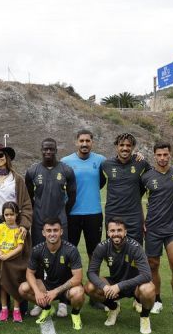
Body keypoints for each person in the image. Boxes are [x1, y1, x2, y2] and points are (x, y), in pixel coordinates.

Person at [25, 138, 76, 317]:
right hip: (39, 223)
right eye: (45, 149)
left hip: (60, 223)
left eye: (51, 149)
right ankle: (41, 300)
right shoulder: (32, 171)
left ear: (56, 150)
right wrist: (38, 213)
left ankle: (62, 301)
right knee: (38, 261)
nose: (48, 152)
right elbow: (29, 197)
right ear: (41, 149)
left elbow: (72, 196)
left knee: (63, 261)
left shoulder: (66, 170)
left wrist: (61, 214)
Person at [0, 142, 33, 321]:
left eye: (1, 155)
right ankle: (3, 307)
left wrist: (24, 226)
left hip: (14, 225)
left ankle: (20, 307)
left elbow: (26, 205)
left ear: (7, 157)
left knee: (16, 265)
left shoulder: (17, 179)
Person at [85, 218, 155, 334]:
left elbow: (147, 275)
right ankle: (114, 308)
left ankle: (144, 317)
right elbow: (91, 272)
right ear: (108, 233)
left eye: (119, 230)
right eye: (112, 231)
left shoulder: (135, 247)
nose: (116, 233)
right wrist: (104, 287)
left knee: (148, 288)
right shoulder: (102, 247)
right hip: (114, 284)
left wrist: (119, 286)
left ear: (125, 232)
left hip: (135, 286)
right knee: (90, 287)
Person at [140, 142, 173, 317]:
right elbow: (136, 199)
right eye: (159, 155)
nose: (162, 158)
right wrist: (142, 220)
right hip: (152, 228)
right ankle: (157, 300)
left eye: (165, 154)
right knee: (153, 265)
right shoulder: (146, 177)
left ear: (170, 154)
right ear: (154, 156)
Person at [18, 218, 85, 330]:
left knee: (78, 293)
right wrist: (37, 292)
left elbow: (78, 278)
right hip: (48, 285)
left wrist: (56, 291)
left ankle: (75, 314)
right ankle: (47, 307)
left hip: (67, 288)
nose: (52, 234)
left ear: (61, 232)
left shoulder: (71, 250)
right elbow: (29, 273)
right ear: (43, 233)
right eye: (49, 230)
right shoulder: (37, 250)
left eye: (55, 230)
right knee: (23, 288)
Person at [61, 129, 106, 257]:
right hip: (71, 213)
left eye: (87, 141)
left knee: (94, 253)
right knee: (68, 252)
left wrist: (137, 155)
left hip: (94, 213)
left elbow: (102, 182)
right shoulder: (65, 161)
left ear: (92, 142)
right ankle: (71, 272)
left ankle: (93, 272)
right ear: (76, 142)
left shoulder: (101, 160)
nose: (84, 144)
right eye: (81, 141)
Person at [100, 132, 150, 245]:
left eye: (128, 145)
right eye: (122, 145)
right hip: (113, 215)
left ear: (133, 147)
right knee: (114, 250)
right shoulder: (106, 165)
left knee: (135, 250)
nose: (125, 148)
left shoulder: (141, 163)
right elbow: (99, 184)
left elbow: (152, 179)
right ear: (116, 146)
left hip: (134, 217)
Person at [0, 202, 25, 323]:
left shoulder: (19, 230)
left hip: (14, 262)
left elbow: (20, 247)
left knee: (15, 285)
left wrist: (7, 256)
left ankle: (16, 311)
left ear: (16, 214)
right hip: (3, 262)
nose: (9, 217)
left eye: (12, 214)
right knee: (3, 285)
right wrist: (0, 252)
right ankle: (4, 310)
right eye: (6, 215)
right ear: (3, 215)